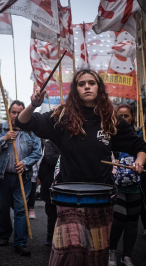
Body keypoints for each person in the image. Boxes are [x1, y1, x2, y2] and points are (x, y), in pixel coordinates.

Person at [15, 69, 146, 266]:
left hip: (101, 198)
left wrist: (140, 161)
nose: (86, 86)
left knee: (95, 256)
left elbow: (140, 147)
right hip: (69, 197)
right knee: (71, 249)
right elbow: (23, 122)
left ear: (98, 87)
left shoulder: (110, 119)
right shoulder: (62, 116)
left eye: (91, 83)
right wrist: (34, 104)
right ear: (75, 89)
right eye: (81, 83)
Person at [0, 100, 42, 256]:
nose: (15, 116)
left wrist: (25, 163)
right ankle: (4, 235)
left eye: (19, 113)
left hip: (23, 177)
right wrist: (4, 139)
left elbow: (37, 152)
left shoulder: (31, 131)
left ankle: (20, 242)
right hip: (2, 176)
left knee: (21, 210)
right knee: (3, 209)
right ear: (8, 113)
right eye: (13, 112)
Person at [109, 104, 145, 266]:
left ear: (132, 117)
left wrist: (139, 162)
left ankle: (127, 256)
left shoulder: (139, 136)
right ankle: (112, 251)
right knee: (119, 219)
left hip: (136, 186)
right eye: (120, 116)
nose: (123, 119)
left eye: (126, 116)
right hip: (118, 186)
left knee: (132, 223)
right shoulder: (111, 135)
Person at [38, 139, 60, 246]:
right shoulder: (50, 143)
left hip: (64, 182)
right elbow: (50, 159)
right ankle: (50, 236)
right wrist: (67, 155)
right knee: (52, 212)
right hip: (51, 182)